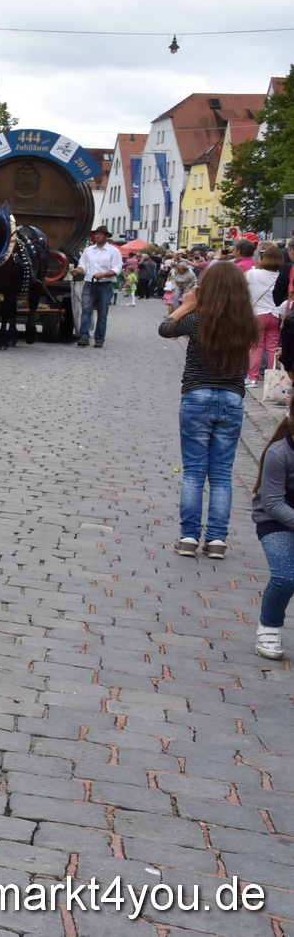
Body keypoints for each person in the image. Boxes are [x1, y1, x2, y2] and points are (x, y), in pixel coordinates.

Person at [159, 262, 257, 559]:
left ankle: (188, 537)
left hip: (196, 396)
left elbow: (165, 328)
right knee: (222, 474)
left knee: (193, 473)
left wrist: (186, 305)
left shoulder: (197, 318)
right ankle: (216, 540)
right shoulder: (248, 323)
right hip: (231, 399)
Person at [250, 415, 294, 660]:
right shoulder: (279, 453)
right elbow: (272, 503)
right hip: (275, 520)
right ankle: (269, 626)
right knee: (285, 577)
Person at [75, 226, 122, 348]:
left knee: (102, 313)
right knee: (86, 310)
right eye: (96, 234)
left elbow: (117, 268)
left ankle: (99, 339)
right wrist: (77, 270)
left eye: (100, 234)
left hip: (105, 285)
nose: (97, 236)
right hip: (89, 284)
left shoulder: (113, 251)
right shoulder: (88, 250)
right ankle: (84, 337)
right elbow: (83, 265)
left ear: (106, 236)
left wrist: (104, 275)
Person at [245, 243, 283, 386]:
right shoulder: (280, 275)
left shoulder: (253, 274)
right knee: (272, 347)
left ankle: (253, 377)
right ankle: (272, 378)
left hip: (257, 314)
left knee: (256, 347)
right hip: (275, 314)